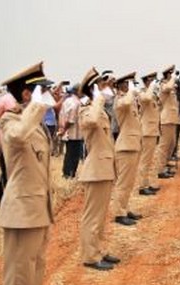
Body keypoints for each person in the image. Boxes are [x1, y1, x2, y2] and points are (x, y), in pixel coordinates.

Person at [0, 61, 61, 285]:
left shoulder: (31, 121)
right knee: (19, 272)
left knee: (35, 267)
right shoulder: (10, 120)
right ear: (27, 95)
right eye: (40, 91)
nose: (46, 95)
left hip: (37, 206)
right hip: (21, 209)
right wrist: (35, 107)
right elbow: (17, 138)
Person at [77, 67, 121, 272]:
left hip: (104, 168)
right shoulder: (86, 109)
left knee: (101, 216)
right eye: (102, 86)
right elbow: (91, 122)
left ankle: (99, 250)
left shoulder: (99, 109)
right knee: (92, 216)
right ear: (93, 89)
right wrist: (97, 99)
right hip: (95, 169)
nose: (107, 89)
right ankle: (90, 256)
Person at [111, 72, 143, 226]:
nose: (129, 86)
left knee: (130, 182)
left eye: (129, 84)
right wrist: (130, 90)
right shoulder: (120, 100)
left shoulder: (129, 100)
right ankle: (119, 213)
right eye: (126, 84)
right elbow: (126, 100)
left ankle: (125, 208)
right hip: (125, 146)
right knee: (123, 182)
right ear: (120, 86)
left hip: (133, 144)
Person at [138, 71, 161, 195]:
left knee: (150, 159)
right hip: (146, 131)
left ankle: (147, 183)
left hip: (152, 130)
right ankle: (142, 186)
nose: (154, 83)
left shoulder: (152, 94)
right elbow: (145, 98)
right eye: (151, 81)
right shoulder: (143, 93)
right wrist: (152, 87)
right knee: (145, 160)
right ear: (147, 81)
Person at [155, 65, 180, 179]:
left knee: (172, 143)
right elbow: (167, 88)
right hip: (166, 119)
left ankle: (165, 163)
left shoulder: (170, 86)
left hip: (172, 118)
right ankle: (160, 169)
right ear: (168, 74)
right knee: (164, 145)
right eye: (172, 74)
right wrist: (173, 78)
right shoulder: (163, 85)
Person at [59, 84, 83, 179]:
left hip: (68, 133)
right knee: (73, 156)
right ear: (78, 91)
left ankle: (66, 173)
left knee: (68, 154)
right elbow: (71, 120)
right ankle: (70, 174)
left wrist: (62, 129)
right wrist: (65, 129)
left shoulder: (67, 101)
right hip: (74, 133)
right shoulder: (76, 103)